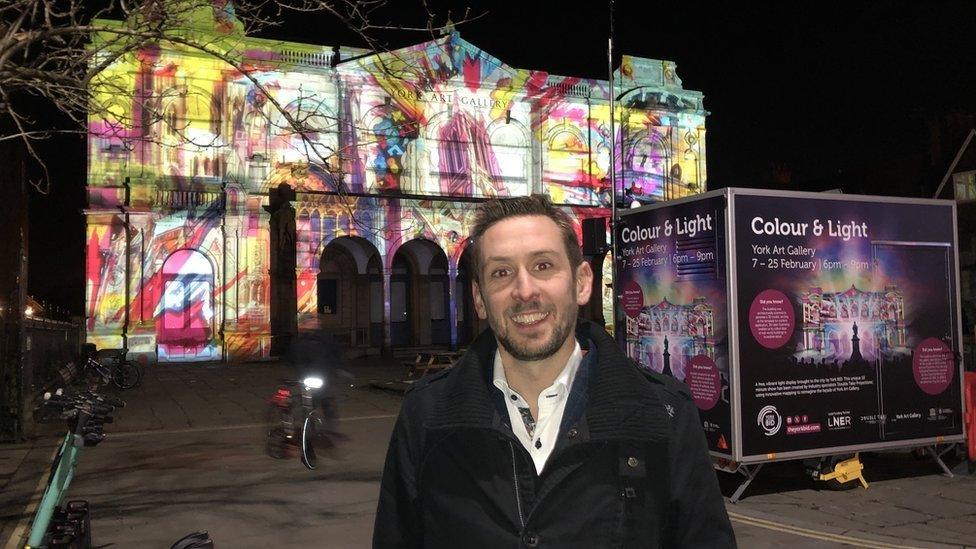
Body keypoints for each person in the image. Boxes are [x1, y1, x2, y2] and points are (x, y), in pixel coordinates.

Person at [374, 195, 735, 548]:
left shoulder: (663, 412)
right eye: (501, 272)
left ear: (581, 283)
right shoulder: (426, 415)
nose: (524, 290)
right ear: (480, 299)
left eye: (543, 266)